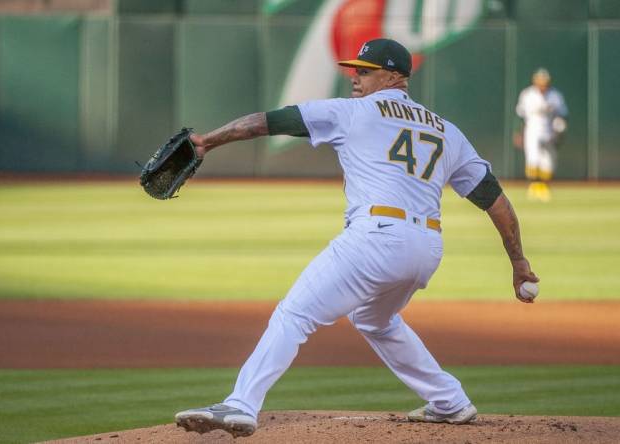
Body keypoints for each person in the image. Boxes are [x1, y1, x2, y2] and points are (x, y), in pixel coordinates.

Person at [175, 38, 539, 438]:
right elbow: (495, 201)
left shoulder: (352, 112)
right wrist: (518, 263)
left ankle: (240, 404)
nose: (355, 76)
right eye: (355, 69)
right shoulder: (446, 131)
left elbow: (268, 121)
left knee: (295, 313)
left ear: (395, 76)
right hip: (427, 247)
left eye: (365, 70)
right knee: (373, 317)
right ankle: (449, 401)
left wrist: (208, 140)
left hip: (376, 238)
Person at [515, 68, 568, 202]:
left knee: (548, 162)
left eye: (545, 82)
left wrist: (560, 128)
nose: (542, 85)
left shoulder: (555, 96)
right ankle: (534, 187)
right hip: (531, 130)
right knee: (533, 158)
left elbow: (563, 114)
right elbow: (520, 115)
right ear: (535, 82)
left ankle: (543, 188)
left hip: (549, 131)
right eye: (540, 82)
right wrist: (518, 132)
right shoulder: (527, 94)